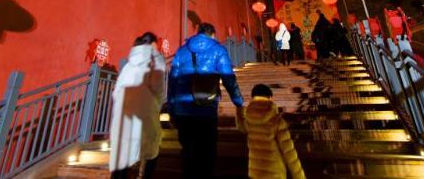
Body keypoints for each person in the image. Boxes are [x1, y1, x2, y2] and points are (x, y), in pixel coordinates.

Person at [168, 22, 244, 178]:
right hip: (206, 108)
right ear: (213, 35)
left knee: (188, 153)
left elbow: (172, 80)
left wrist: (171, 108)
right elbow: (229, 79)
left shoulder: (182, 51)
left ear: (198, 33)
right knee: (207, 152)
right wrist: (238, 102)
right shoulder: (218, 50)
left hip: (183, 110)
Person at [109, 32, 166, 179]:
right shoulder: (155, 64)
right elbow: (159, 95)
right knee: (151, 154)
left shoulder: (128, 66)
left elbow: (116, 93)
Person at [236, 84, 305, 179]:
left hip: (256, 173)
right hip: (274, 173)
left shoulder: (249, 119)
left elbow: (241, 128)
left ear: (253, 98)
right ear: (270, 97)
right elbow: (290, 154)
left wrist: (239, 109)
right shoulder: (276, 121)